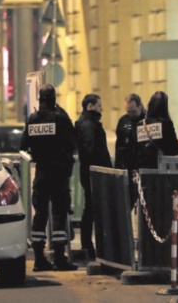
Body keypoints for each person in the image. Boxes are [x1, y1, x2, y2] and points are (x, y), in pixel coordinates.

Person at [20, 84, 78, 271]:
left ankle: (39, 258)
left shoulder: (33, 119)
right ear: (54, 98)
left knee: (40, 215)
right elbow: (72, 141)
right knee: (59, 214)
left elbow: (23, 145)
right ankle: (60, 258)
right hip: (59, 173)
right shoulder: (60, 119)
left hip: (42, 173)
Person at [75, 94, 112, 260]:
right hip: (93, 173)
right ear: (90, 106)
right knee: (92, 209)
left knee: (91, 208)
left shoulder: (88, 123)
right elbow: (92, 151)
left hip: (90, 172)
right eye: (99, 105)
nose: (101, 108)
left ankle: (88, 244)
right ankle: (89, 246)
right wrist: (101, 170)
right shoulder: (89, 125)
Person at [135, 91, 178, 169]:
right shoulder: (166, 123)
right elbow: (175, 149)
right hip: (161, 169)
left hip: (143, 170)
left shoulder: (140, 125)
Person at [114, 94, 146, 206]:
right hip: (126, 167)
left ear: (140, 106)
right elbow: (118, 146)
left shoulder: (148, 121)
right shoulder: (123, 121)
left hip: (142, 168)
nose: (130, 114)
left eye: (133, 111)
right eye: (128, 111)